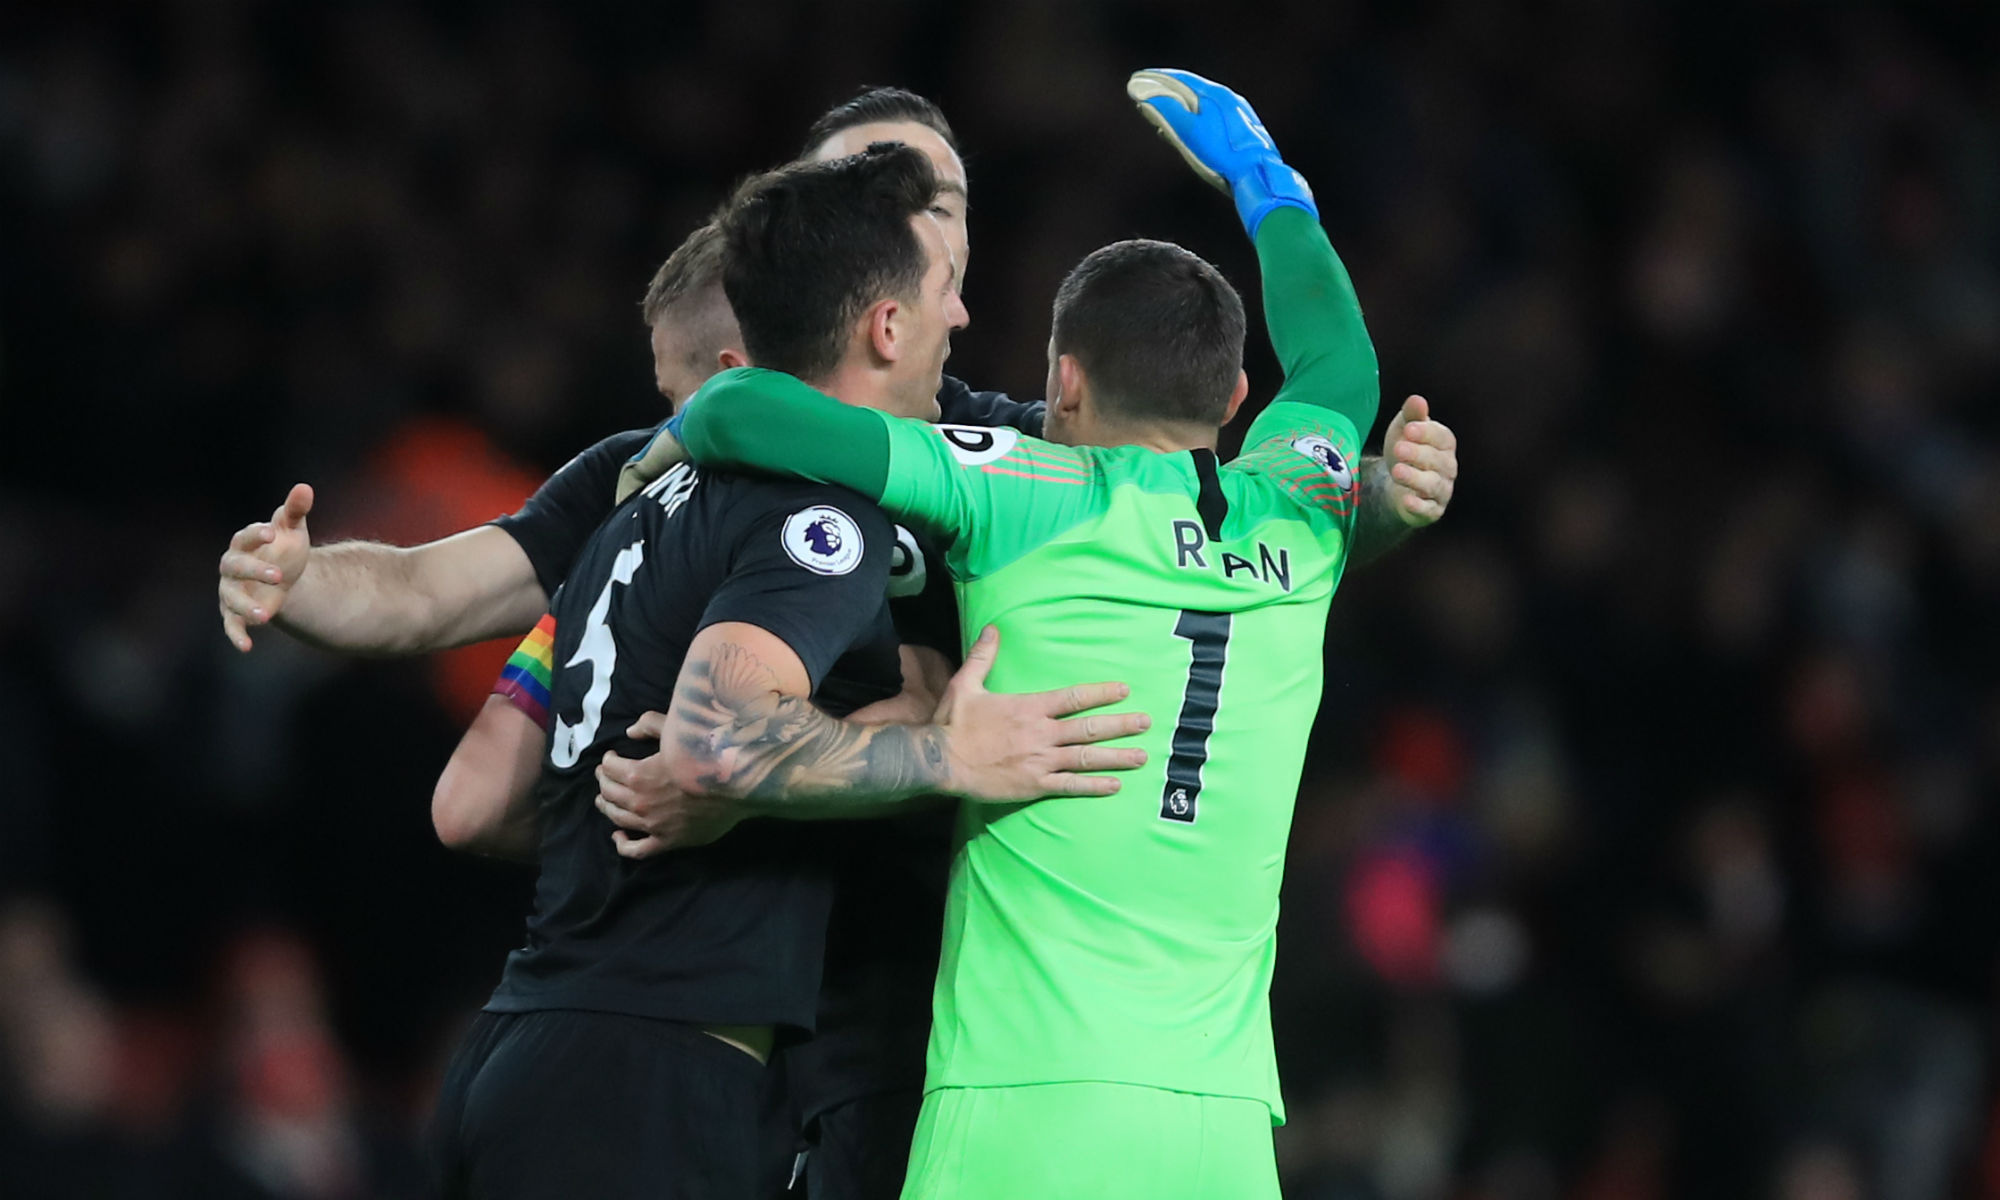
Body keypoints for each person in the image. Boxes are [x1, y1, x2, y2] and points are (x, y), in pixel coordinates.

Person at [663, 69, 1388, 1199]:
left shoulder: (1018, 490)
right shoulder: (1303, 517)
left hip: (1019, 1110)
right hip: (1223, 1131)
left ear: (1063, 381)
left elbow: (737, 408)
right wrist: (1264, 180)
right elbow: (1342, 362)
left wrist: (705, 406)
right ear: (1234, 397)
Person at [426, 145, 1150, 1200]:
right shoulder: (819, 514)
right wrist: (950, 754)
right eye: (942, 290)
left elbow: (474, 802)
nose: (959, 317)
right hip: (644, 1079)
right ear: (885, 326)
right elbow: (716, 742)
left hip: (530, 1037)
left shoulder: (639, 503)